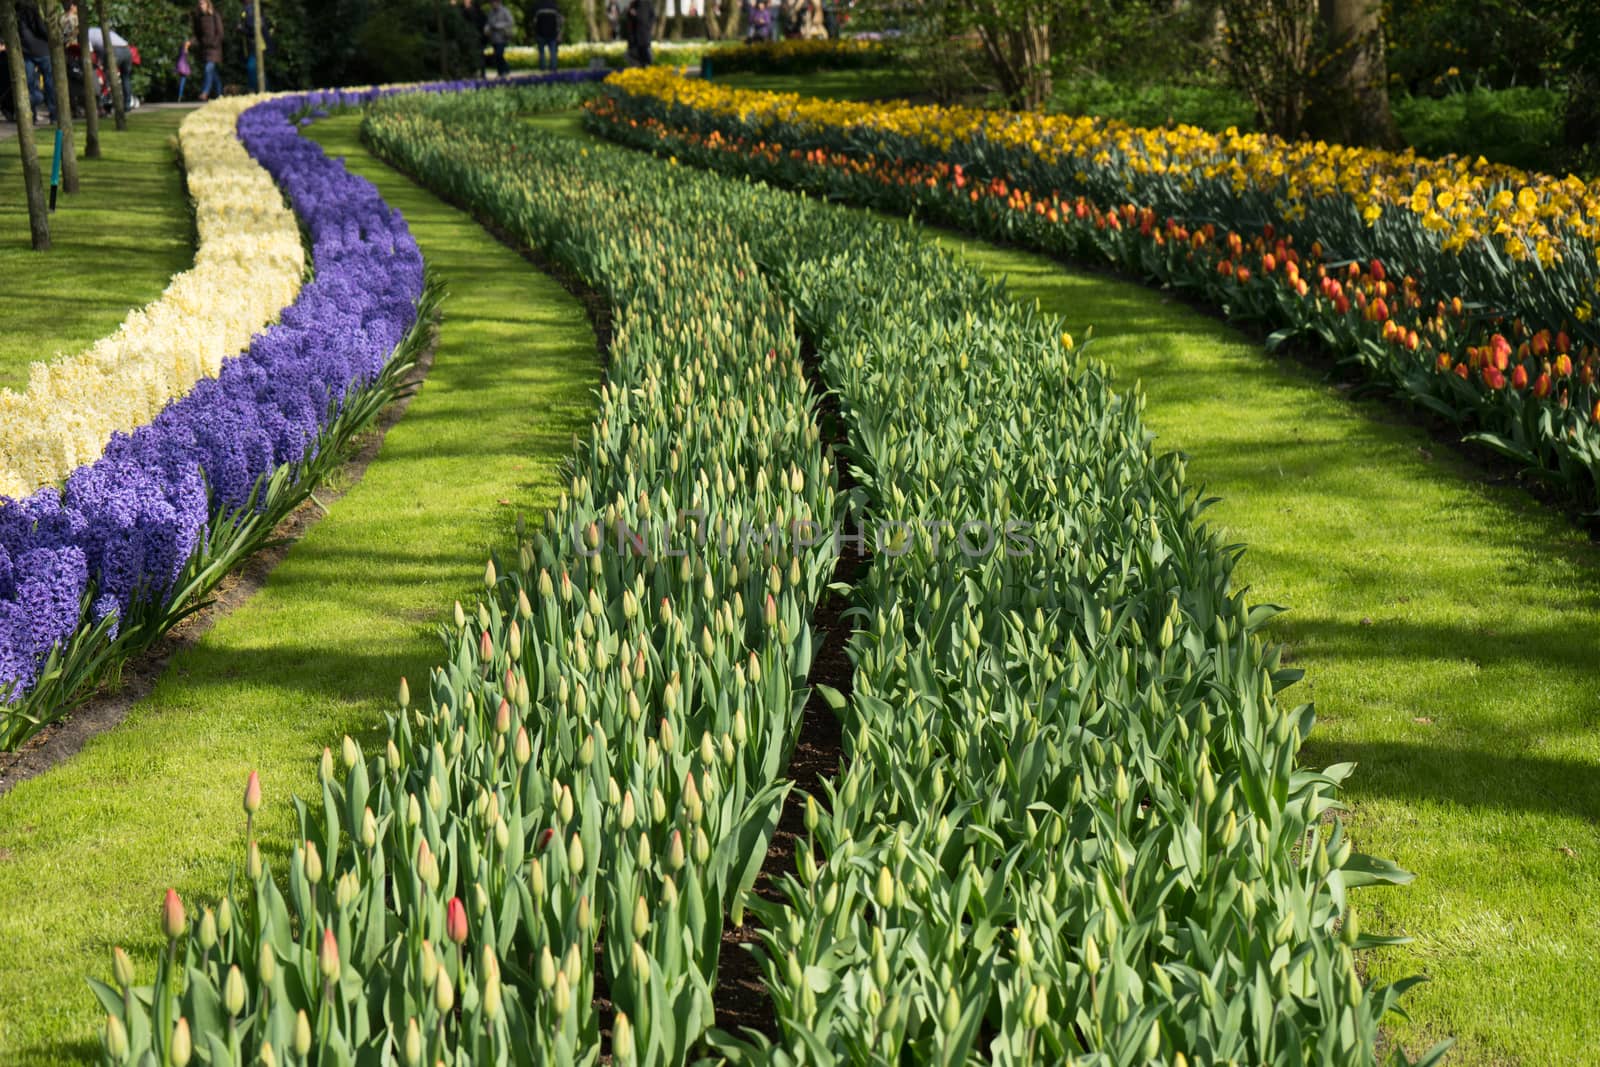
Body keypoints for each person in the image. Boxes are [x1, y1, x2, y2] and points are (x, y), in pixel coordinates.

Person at [15, 1, 57, 124]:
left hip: (31, 52)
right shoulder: (32, 9)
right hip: (40, 51)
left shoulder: (17, 12)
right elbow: (42, 30)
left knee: (30, 84)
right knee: (47, 84)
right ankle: (52, 115)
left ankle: (33, 115)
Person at [87, 22, 135, 109]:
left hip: (114, 49)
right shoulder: (98, 30)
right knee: (125, 78)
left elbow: (90, 53)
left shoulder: (86, 35)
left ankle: (107, 102)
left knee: (108, 76)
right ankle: (127, 104)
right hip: (127, 49)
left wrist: (95, 64)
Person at [187, 0, 224, 102]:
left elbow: (220, 32)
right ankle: (220, 94)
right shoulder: (198, 18)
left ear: (208, 4)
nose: (201, 5)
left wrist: (214, 43)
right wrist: (191, 42)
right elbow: (197, 34)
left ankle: (205, 92)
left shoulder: (214, 15)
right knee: (213, 72)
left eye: (203, 3)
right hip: (205, 49)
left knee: (208, 69)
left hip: (214, 49)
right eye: (199, 4)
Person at [238, 1, 272, 91]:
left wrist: (241, 29)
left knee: (252, 67)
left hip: (257, 44)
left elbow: (254, 30)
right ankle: (264, 91)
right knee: (258, 69)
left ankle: (255, 90)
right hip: (253, 45)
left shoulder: (251, 10)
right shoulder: (248, 9)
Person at [484, 0, 514, 78]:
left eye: (494, 2)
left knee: (499, 54)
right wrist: (487, 29)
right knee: (497, 56)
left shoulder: (505, 11)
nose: (493, 4)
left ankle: (506, 70)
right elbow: (488, 23)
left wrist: (499, 26)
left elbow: (510, 22)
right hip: (494, 38)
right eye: (492, 2)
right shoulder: (491, 12)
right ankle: (501, 72)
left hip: (502, 37)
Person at [530, 0, 561, 73]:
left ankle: (543, 69)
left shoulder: (538, 6)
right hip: (553, 33)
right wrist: (559, 33)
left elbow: (534, 21)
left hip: (541, 33)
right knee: (553, 52)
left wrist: (535, 32)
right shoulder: (554, 5)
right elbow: (559, 21)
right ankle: (553, 69)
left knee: (541, 53)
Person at [459, 0, 487, 78]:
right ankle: (471, 73)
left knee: (480, 56)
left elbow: (482, 23)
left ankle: (482, 73)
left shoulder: (478, 11)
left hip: (479, 38)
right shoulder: (461, 9)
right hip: (466, 38)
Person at [624, 0, 653, 66]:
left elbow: (646, 18)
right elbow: (629, 19)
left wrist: (648, 26)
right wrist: (629, 12)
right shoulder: (633, 4)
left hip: (643, 36)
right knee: (632, 55)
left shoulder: (646, 3)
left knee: (645, 57)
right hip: (634, 38)